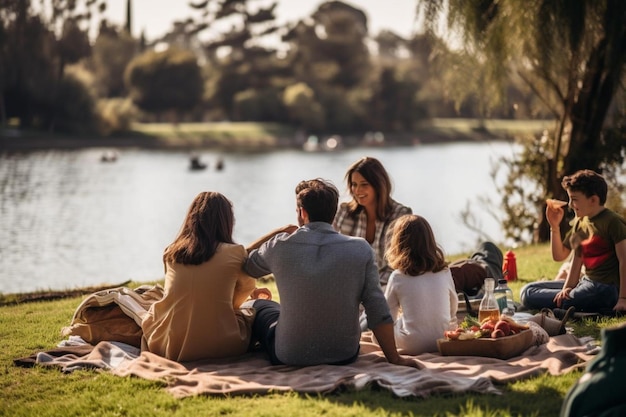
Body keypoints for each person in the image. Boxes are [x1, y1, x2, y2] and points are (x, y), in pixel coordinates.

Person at [242, 178, 417, 368]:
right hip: (344, 353)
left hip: (290, 355)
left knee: (257, 305)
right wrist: (395, 358)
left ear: (302, 212)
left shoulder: (279, 245)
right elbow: (377, 308)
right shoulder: (360, 249)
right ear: (333, 214)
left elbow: (246, 265)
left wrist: (277, 232)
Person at [141, 191, 269, 362]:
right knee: (260, 307)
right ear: (227, 222)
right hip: (223, 345)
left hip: (169, 344)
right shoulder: (235, 253)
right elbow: (237, 301)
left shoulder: (170, 252)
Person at [520, 169, 626, 313]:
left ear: (593, 200)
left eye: (574, 199)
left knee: (531, 298)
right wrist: (554, 226)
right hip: (585, 283)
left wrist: (623, 299)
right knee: (528, 290)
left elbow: (624, 260)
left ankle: (573, 307)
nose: (570, 204)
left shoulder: (612, 222)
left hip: (606, 289)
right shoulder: (580, 222)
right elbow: (569, 259)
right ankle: (568, 306)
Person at [382, 214, 458, 354]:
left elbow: (386, 317)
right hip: (444, 340)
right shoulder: (444, 272)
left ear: (398, 244)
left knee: (381, 333)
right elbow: (453, 306)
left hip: (411, 344)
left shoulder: (398, 277)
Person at [333, 156, 412, 288]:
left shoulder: (400, 215)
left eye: (364, 185)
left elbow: (399, 264)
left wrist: (370, 292)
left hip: (387, 289)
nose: (357, 191)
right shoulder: (344, 211)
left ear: (378, 185)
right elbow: (330, 250)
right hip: (348, 287)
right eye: (354, 185)